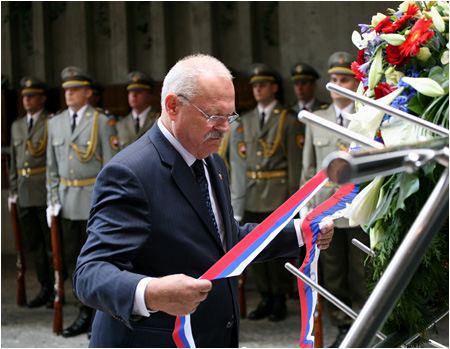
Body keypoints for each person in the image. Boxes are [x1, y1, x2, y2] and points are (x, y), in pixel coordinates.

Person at [72, 54, 334, 348]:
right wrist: (151, 292)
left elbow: (223, 241)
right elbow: (90, 273)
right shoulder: (130, 173)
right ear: (173, 106)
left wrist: (300, 232)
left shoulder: (211, 162)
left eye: (230, 115)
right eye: (213, 115)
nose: (225, 127)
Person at [301, 51, 370, 348]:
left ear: (356, 83)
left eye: (344, 78)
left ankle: (366, 325)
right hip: (328, 212)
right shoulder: (317, 119)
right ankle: (343, 326)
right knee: (334, 274)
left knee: (362, 272)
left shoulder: (368, 116)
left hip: (358, 208)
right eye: (333, 79)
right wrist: (307, 210)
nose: (337, 83)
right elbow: (308, 168)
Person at [46, 66, 119, 338]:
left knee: (99, 261)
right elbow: (52, 169)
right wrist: (52, 200)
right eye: (66, 89)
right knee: (73, 261)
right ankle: (83, 311)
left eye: (74, 89)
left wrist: (110, 205)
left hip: (93, 203)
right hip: (66, 202)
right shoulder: (54, 123)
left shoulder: (102, 121)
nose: (69, 93)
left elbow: (112, 167)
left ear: (89, 93)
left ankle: (100, 316)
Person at [233, 63, 305, 322]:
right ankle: (264, 296)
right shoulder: (246, 119)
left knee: (277, 249)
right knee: (253, 248)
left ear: (274, 87)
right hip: (252, 191)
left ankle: (280, 298)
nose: (257, 89)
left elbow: (296, 164)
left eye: (262, 84)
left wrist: (294, 200)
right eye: (254, 85)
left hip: (278, 194)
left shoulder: (286, 118)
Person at [8, 76, 54, 308]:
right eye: (24, 96)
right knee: (33, 243)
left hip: (43, 189)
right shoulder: (17, 125)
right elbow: (15, 162)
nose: (27, 100)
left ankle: (56, 286)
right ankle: (44, 285)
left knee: (50, 244)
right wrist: (13, 190)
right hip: (24, 192)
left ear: (42, 98)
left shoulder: (50, 122)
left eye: (32, 96)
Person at [115, 71, 160, 150]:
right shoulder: (120, 124)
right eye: (131, 91)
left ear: (149, 96)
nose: (134, 95)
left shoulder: (159, 120)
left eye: (139, 91)